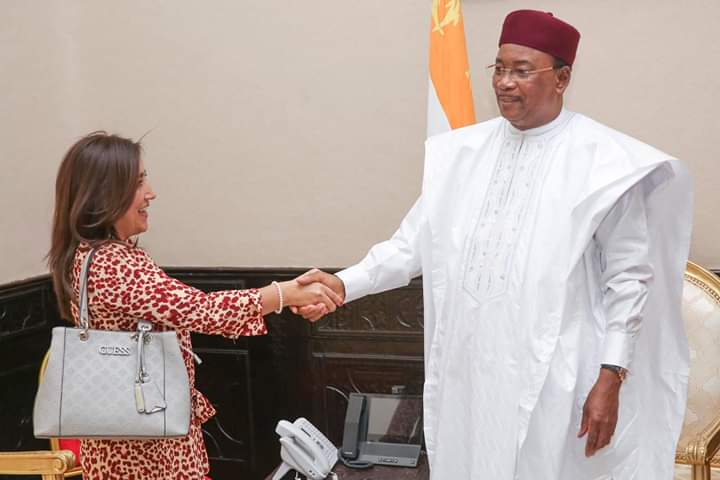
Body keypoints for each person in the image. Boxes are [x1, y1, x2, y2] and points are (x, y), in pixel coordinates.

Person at [293, 10, 693, 479]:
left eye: (522, 70)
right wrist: (341, 285)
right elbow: (409, 247)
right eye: (499, 68)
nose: (504, 82)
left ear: (562, 78)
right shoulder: (461, 155)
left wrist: (610, 378)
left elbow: (629, 281)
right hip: (471, 367)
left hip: (557, 373)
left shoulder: (606, 163)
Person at [47, 131, 343, 479]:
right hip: (145, 454)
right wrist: (284, 293)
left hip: (131, 440)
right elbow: (200, 310)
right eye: (139, 182)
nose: (150, 193)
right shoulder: (113, 263)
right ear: (106, 194)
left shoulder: (91, 257)